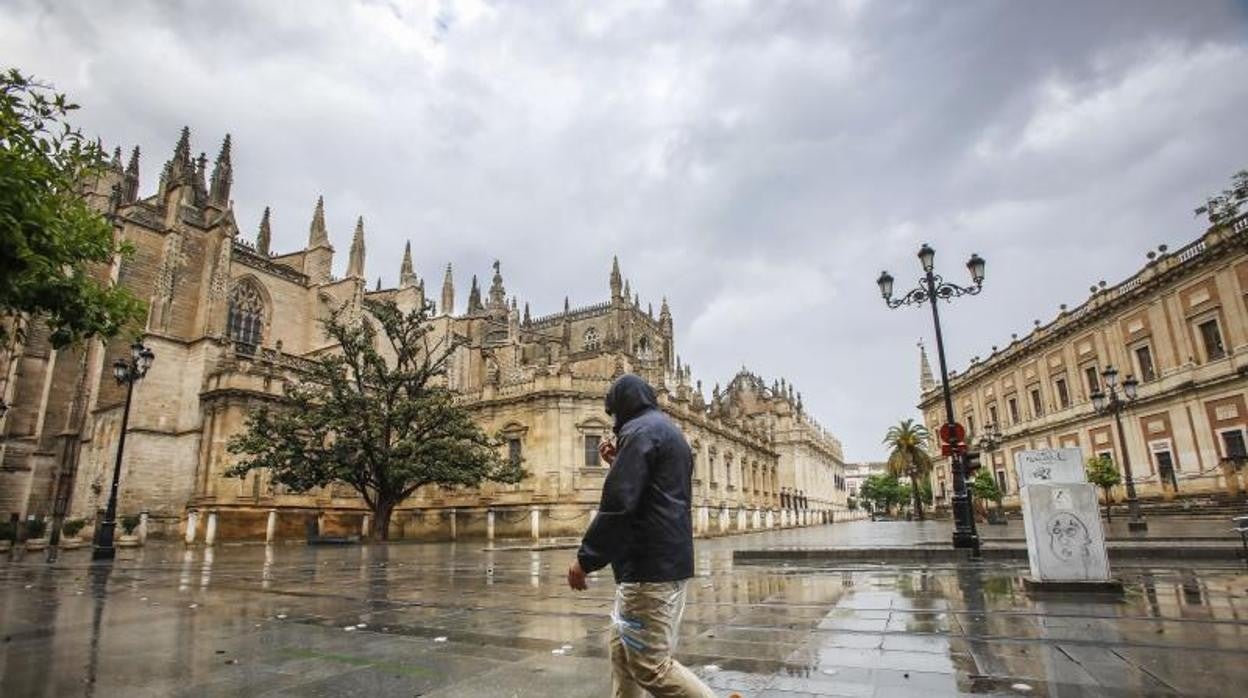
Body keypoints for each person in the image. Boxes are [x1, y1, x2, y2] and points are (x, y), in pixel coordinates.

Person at [567, 374, 716, 698]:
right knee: (622, 653)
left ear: (621, 407)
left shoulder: (638, 432)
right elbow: (655, 490)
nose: (613, 422)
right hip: (665, 562)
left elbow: (620, 503)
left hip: (647, 568)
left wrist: (585, 559)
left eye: (613, 414)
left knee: (651, 666)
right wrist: (620, 462)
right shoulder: (669, 431)